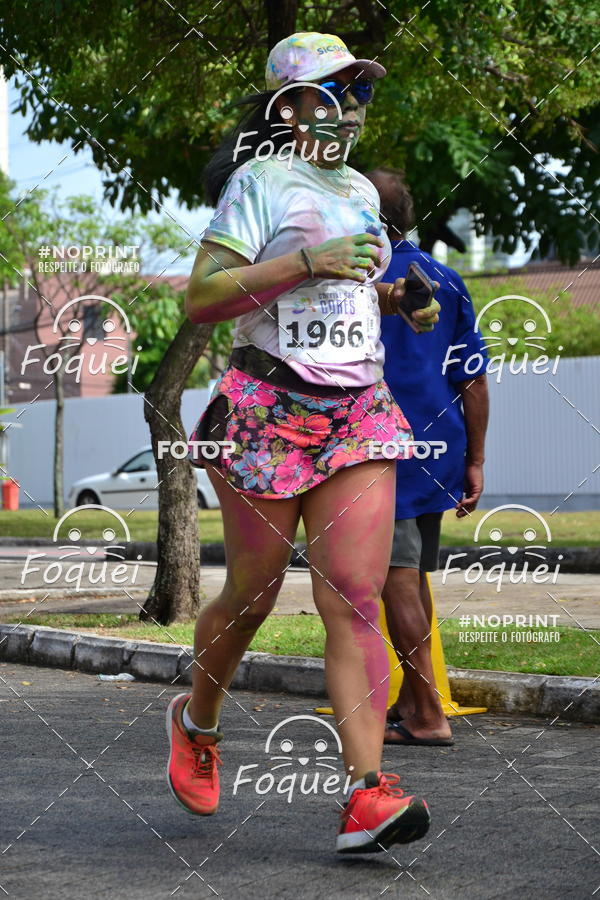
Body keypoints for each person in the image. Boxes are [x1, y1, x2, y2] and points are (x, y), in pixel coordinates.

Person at [165, 33, 441, 854]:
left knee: (353, 598)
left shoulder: (359, 187)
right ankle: (197, 719)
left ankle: (366, 797)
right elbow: (203, 297)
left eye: (357, 90)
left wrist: (396, 301)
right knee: (251, 595)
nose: (350, 105)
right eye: (332, 90)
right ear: (292, 106)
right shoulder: (259, 181)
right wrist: (306, 261)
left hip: (357, 407)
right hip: (267, 403)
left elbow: (344, 296)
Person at [366, 167, 488, 747]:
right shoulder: (447, 279)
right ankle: (414, 704)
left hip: (381, 446)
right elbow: (475, 382)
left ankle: (427, 715)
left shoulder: (354, 281)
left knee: (397, 582)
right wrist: (476, 461)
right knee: (412, 581)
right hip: (441, 446)